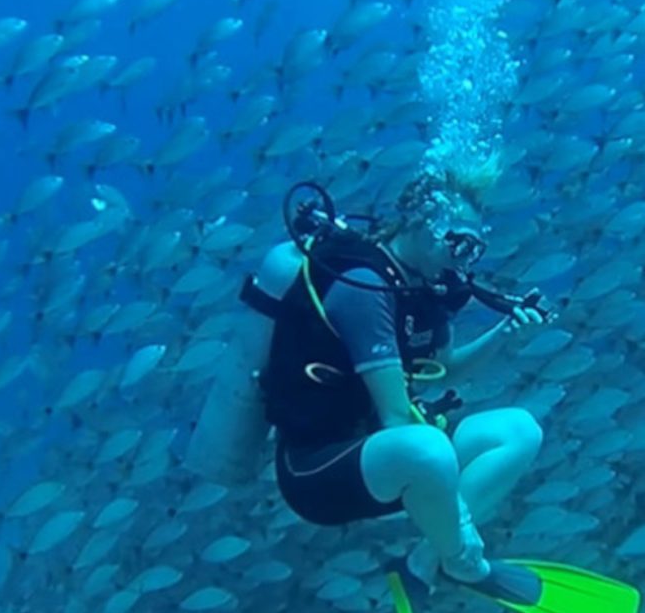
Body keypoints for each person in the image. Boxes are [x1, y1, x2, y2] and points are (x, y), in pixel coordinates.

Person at [187, 171, 544, 586]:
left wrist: (504, 333)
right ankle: (463, 560)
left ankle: (424, 564)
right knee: (428, 448)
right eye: (458, 241)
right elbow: (396, 416)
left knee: (520, 431)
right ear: (420, 222)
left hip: (387, 461)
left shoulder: (420, 287)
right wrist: (461, 526)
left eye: (474, 248)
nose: (463, 259)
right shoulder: (366, 288)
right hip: (318, 473)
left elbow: (443, 369)